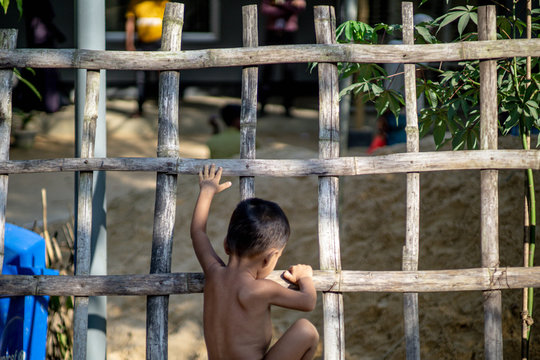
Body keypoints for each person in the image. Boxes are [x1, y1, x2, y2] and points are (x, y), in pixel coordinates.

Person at [191, 164, 319, 360]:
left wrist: (207, 191)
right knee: (307, 330)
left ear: (226, 245)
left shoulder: (213, 272)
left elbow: (198, 232)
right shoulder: (261, 289)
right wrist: (305, 277)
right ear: (268, 258)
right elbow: (308, 302)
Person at [260, 0, 306, 117]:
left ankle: (288, 108)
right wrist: (288, 8)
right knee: (267, 71)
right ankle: (262, 106)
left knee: (289, 72)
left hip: (288, 34)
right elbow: (265, 9)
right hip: (272, 33)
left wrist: (280, 4)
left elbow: (299, 7)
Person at [125, 0, 169, 116]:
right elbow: (130, 22)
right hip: (142, 43)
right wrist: (129, 43)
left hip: (159, 42)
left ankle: (165, 108)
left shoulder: (162, 2)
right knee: (140, 77)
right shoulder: (135, 2)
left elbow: (169, 22)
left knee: (163, 75)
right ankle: (140, 108)